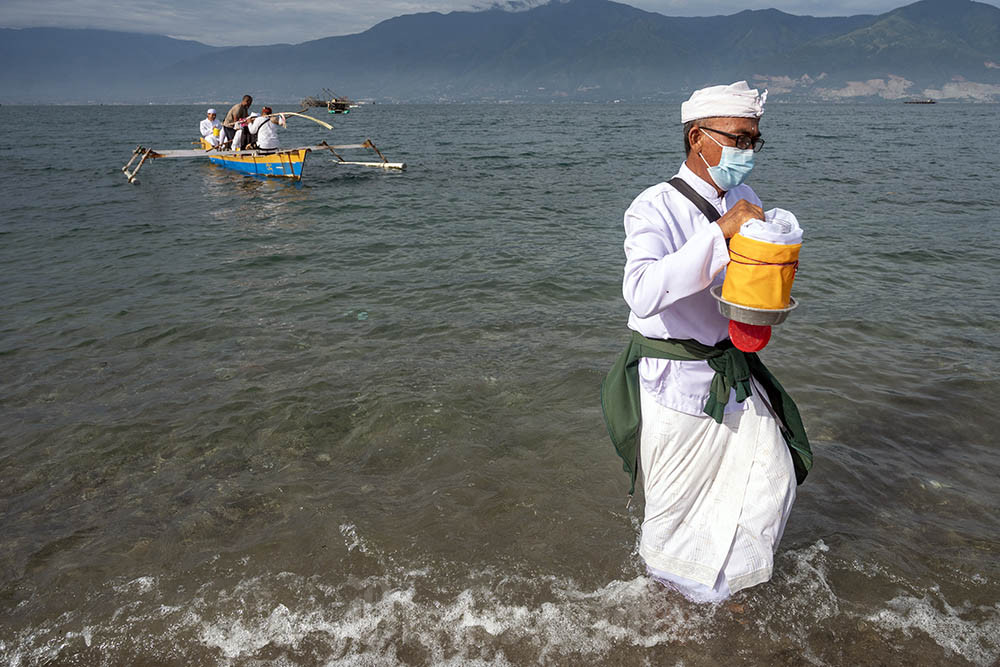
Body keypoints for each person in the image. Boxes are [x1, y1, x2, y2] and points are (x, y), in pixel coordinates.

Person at [601, 81, 812, 603]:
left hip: (732, 368)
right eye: (739, 138)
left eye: (754, 140)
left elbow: (747, 284)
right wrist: (719, 233)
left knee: (770, 478)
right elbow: (642, 292)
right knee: (676, 509)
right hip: (675, 380)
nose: (748, 151)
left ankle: (729, 591)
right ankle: (666, 606)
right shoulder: (654, 207)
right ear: (698, 137)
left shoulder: (746, 199)